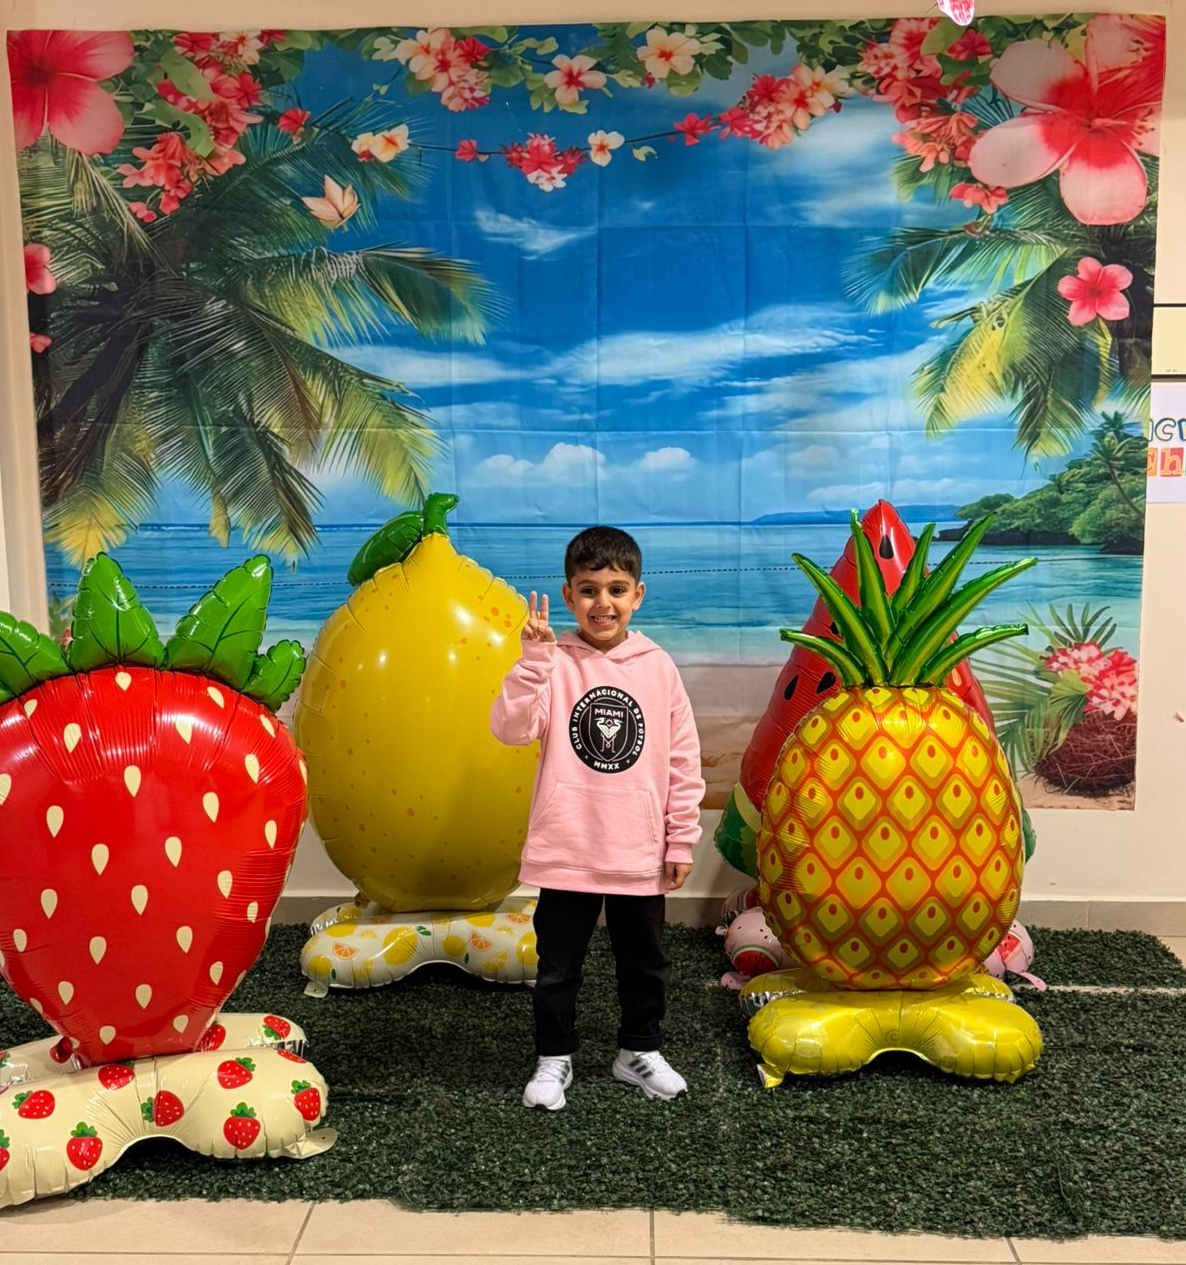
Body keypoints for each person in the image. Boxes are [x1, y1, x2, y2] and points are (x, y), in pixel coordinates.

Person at [490, 526, 704, 1111]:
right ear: (568, 596)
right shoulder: (551, 662)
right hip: (569, 847)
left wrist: (680, 840)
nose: (602, 603)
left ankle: (639, 1050)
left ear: (638, 595)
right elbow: (510, 729)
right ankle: (553, 1057)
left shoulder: (659, 668)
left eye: (616, 589)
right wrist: (532, 661)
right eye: (588, 590)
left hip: (639, 850)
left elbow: (683, 760)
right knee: (558, 967)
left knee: (646, 964)